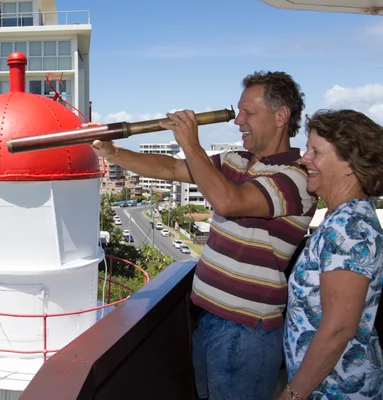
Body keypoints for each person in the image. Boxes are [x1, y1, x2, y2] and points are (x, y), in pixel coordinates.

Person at [89, 71, 317, 399]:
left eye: (248, 113)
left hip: (247, 330)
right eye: (239, 111)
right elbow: (171, 168)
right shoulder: (235, 161)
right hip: (209, 317)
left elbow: (229, 200)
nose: (238, 121)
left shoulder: (295, 178)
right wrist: (112, 153)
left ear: (282, 116)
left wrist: (190, 143)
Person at [280, 109, 383, 400]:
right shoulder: (348, 216)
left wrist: (292, 394)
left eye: (316, 152)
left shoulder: (348, 227)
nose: (304, 159)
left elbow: (338, 328)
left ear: (349, 164)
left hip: (337, 390)